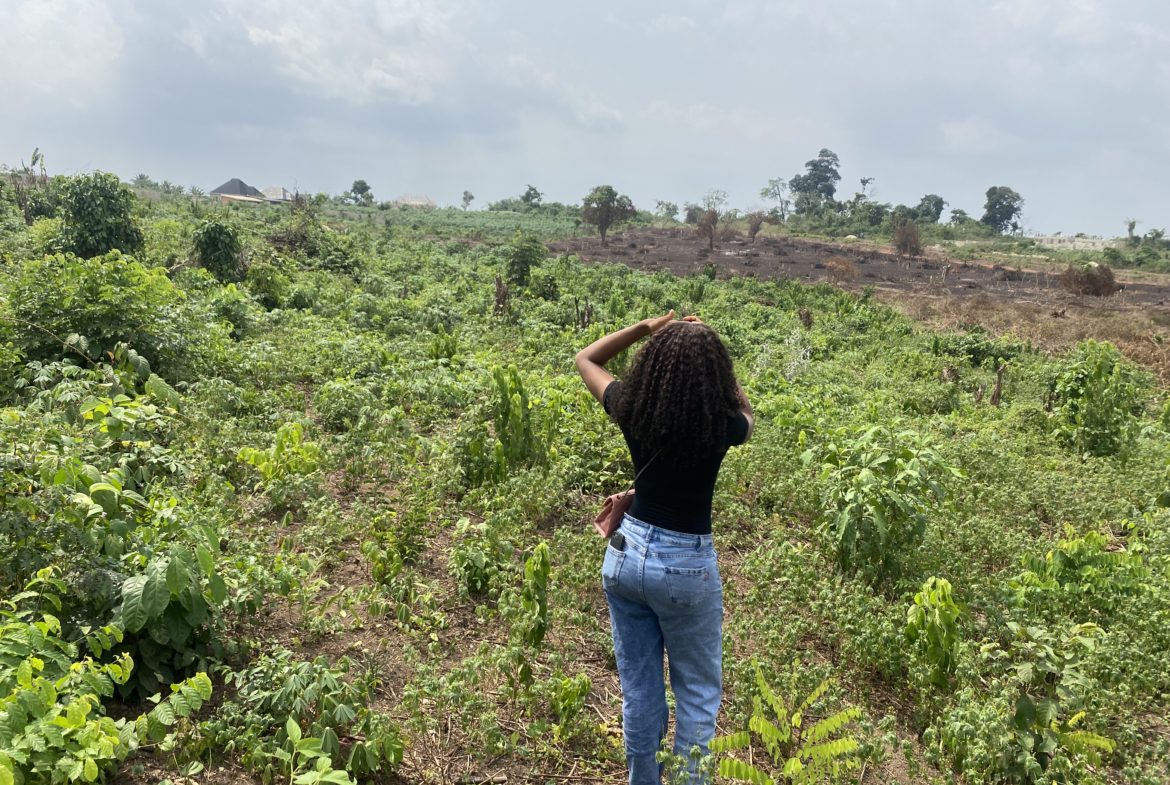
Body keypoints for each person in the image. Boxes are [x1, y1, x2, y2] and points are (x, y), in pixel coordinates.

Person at [575, 310, 753, 784]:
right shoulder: (725, 425)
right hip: (686, 565)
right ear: (716, 374)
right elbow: (746, 413)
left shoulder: (632, 406)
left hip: (626, 554)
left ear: (652, 363)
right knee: (695, 693)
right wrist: (711, 356)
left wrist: (651, 328)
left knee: (639, 690)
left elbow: (586, 357)